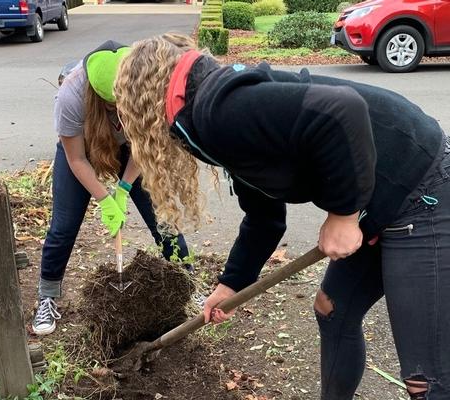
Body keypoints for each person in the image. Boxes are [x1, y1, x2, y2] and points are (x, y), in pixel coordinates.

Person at [113, 35, 450, 399]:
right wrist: (231, 284)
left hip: (421, 187)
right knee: (331, 308)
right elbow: (263, 216)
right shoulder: (208, 120)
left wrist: (344, 214)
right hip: (378, 199)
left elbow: (343, 109)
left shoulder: (219, 108)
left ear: (144, 102)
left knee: (424, 381)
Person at [33, 37, 194, 336]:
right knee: (64, 225)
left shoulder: (143, 85)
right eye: (110, 104)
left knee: (161, 216)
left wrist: (123, 188)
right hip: (84, 150)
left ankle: (185, 281)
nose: (117, 108)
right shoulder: (71, 95)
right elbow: (77, 159)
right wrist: (105, 199)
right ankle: (47, 295)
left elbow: (141, 147)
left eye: (121, 101)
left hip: (130, 151)